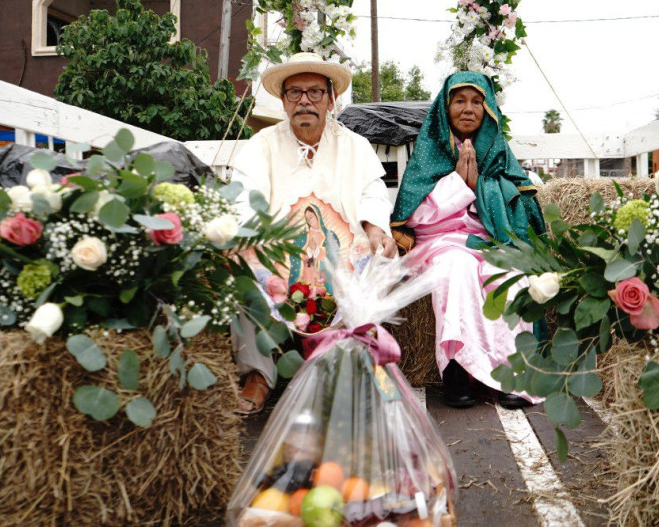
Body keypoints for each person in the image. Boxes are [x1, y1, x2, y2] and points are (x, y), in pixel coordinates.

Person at [229, 51, 397, 413]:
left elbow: (372, 194)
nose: (304, 100)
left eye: (315, 92)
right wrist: (245, 239)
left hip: (341, 250)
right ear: (283, 100)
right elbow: (244, 198)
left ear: (331, 98)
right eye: (295, 92)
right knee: (240, 259)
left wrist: (374, 229)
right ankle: (257, 374)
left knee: (375, 255)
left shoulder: (354, 145)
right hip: (276, 249)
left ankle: (344, 367)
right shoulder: (262, 145)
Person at [390, 71, 548, 409]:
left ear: (488, 108)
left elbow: (524, 206)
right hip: (440, 243)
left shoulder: (498, 152)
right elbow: (413, 216)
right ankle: (457, 372)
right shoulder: (429, 150)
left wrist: (480, 185)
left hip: (488, 240)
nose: (468, 108)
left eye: (477, 101)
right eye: (459, 100)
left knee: (510, 276)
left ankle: (513, 375)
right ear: (445, 107)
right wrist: (457, 184)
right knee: (455, 270)